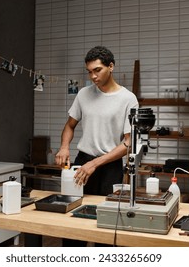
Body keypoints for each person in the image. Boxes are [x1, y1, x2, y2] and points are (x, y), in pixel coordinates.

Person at [55, 45, 138, 246]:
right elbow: (69, 125)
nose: (93, 76)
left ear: (111, 66)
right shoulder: (83, 94)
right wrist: (64, 146)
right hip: (82, 162)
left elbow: (128, 142)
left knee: (106, 226)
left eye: (97, 70)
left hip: (110, 166)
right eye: (89, 71)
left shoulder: (128, 99)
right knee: (73, 222)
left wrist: (96, 163)